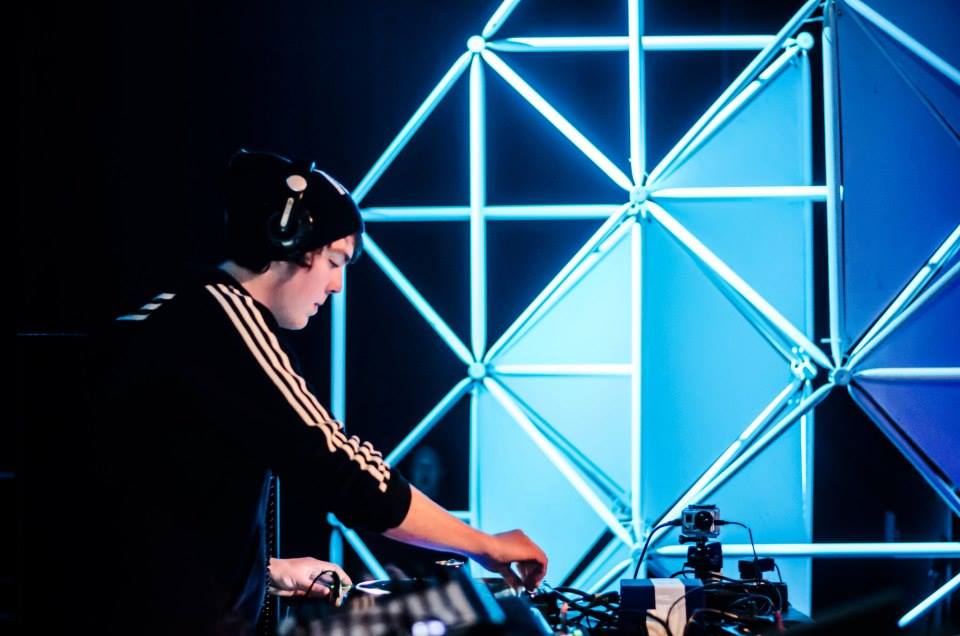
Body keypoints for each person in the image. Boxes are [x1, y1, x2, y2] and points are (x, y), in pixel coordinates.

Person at [90, 149, 547, 634]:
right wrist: (484, 546)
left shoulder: (173, 313)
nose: (336, 286)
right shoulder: (227, 322)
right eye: (333, 261)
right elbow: (341, 467)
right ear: (286, 239)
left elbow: (150, 511)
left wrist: (268, 572)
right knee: (477, 619)